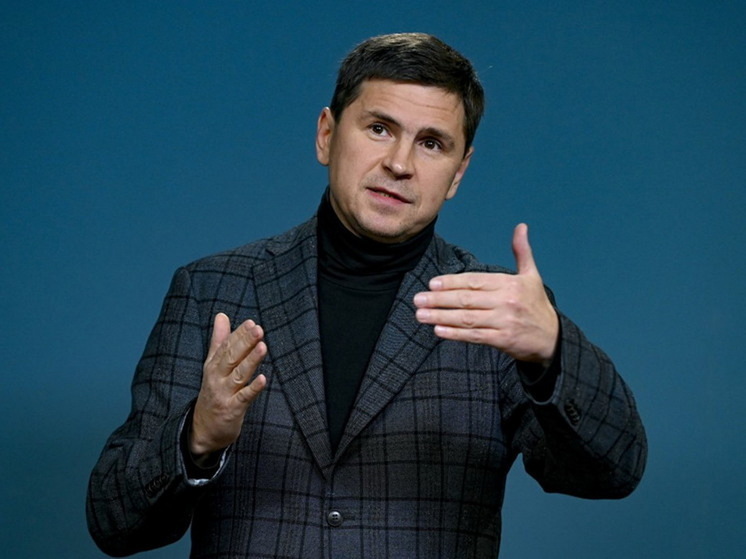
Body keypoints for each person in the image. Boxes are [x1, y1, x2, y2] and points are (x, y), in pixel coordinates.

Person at [87, 32, 646, 558]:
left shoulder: (499, 310)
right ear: (326, 135)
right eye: (379, 128)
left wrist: (552, 353)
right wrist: (196, 436)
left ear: (458, 173)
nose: (399, 164)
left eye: (431, 143)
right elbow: (115, 522)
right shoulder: (211, 289)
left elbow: (612, 473)